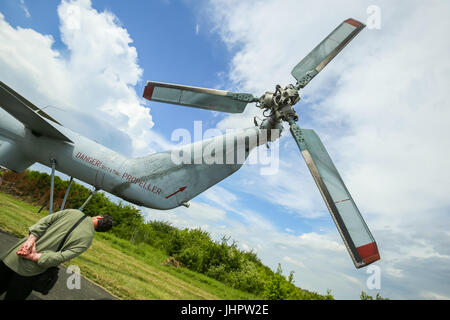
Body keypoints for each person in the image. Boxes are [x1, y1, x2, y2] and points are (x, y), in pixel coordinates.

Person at [0, 209, 113, 300]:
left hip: (14, 256)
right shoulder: (87, 240)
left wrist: (30, 241)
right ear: (100, 230)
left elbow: (44, 222)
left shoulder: (72, 212)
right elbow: (62, 256)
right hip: (31, 271)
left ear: (99, 217)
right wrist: (33, 257)